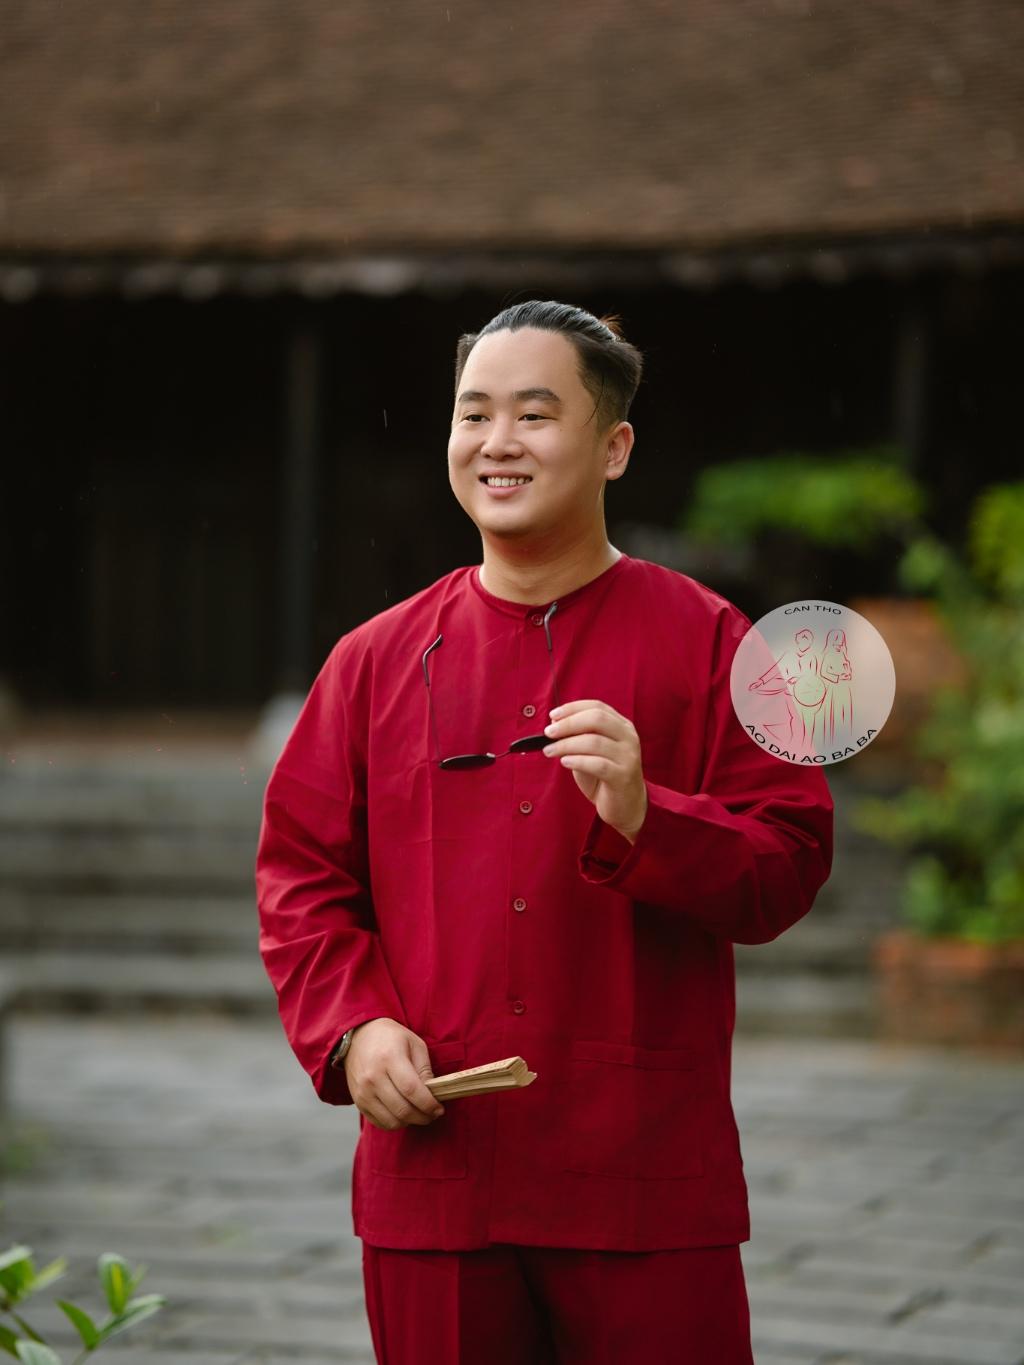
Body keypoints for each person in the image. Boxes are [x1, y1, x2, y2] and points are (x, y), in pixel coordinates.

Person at [255, 300, 834, 1364]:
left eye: (533, 413)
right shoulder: (371, 661)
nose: (497, 442)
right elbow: (301, 878)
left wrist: (648, 814)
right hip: (438, 1166)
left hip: (643, 1174)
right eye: (472, 414)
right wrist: (355, 1027)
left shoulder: (716, 642)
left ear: (614, 447)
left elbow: (790, 859)